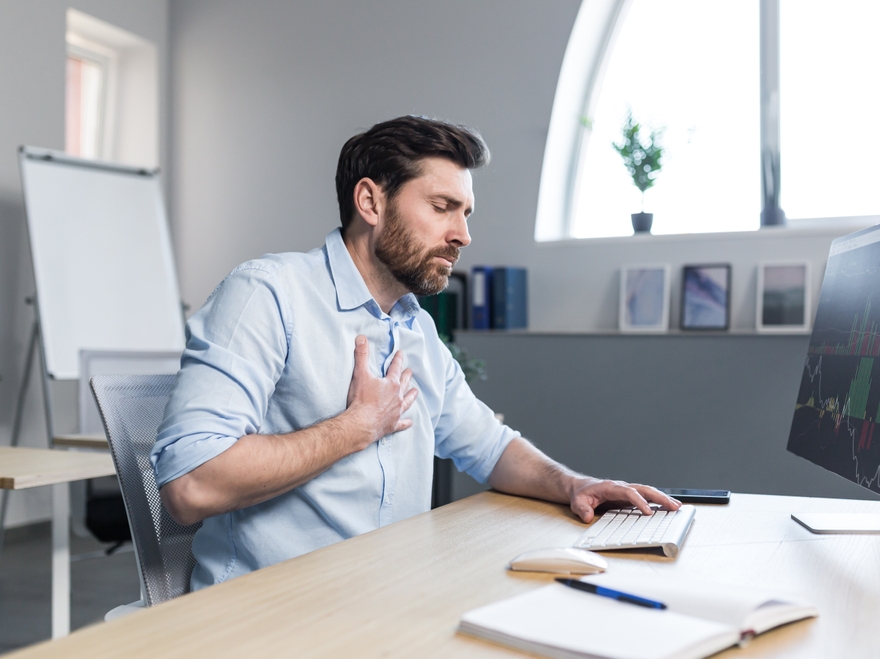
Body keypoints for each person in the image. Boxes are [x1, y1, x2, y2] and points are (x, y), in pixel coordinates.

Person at [152, 116, 680, 590]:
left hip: (389, 597)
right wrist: (358, 426)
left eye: (466, 212)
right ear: (371, 202)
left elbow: (488, 447)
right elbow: (191, 483)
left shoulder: (416, 329)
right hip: (268, 614)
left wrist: (575, 484)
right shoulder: (267, 294)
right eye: (442, 207)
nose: (464, 235)